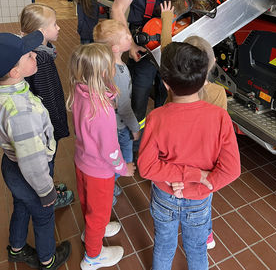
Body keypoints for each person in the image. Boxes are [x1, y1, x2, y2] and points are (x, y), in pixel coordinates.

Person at [138, 42, 241, 270]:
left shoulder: (156, 117)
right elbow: (232, 169)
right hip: (199, 197)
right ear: (205, 78)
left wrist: (179, 177)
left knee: (164, 246)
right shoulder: (220, 118)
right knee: (197, 248)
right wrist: (199, 178)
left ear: (165, 84)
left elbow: (146, 167)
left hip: (164, 195)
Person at [111, 0, 202, 145]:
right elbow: (118, 8)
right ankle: (134, 145)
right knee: (139, 97)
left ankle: (161, 142)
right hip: (144, 47)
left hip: (178, 48)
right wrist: (130, 43)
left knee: (170, 98)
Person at [0, 31, 71, 270]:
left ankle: (17, 248)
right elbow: (33, 162)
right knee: (43, 214)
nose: (35, 55)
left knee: (21, 205)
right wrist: (46, 191)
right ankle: (48, 260)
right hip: (29, 172)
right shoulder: (21, 114)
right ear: (15, 72)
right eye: (28, 55)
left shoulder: (1, 86)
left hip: (12, 165)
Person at [67, 43, 136, 270]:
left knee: (89, 204)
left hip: (82, 162)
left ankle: (92, 231)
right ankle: (93, 257)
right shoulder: (102, 110)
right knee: (99, 212)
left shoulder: (80, 91)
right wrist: (123, 168)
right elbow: (110, 150)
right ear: (105, 72)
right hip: (99, 171)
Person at [20, 3, 74, 210]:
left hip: (42, 124)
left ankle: (48, 186)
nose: (59, 28)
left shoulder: (38, 52)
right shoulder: (41, 61)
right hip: (46, 127)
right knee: (46, 161)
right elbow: (48, 98)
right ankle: (49, 196)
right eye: (55, 24)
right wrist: (57, 126)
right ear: (41, 32)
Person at [94, 19, 140, 204]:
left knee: (108, 158)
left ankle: (109, 186)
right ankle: (105, 192)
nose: (131, 37)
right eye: (126, 36)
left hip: (106, 124)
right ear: (115, 48)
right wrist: (135, 129)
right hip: (120, 127)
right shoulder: (118, 73)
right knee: (124, 161)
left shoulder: (103, 67)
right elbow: (124, 107)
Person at [160, 0, 227, 110]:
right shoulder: (218, 92)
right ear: (213, 61)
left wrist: (167, 18)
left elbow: (166, 51)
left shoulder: (176, 83)